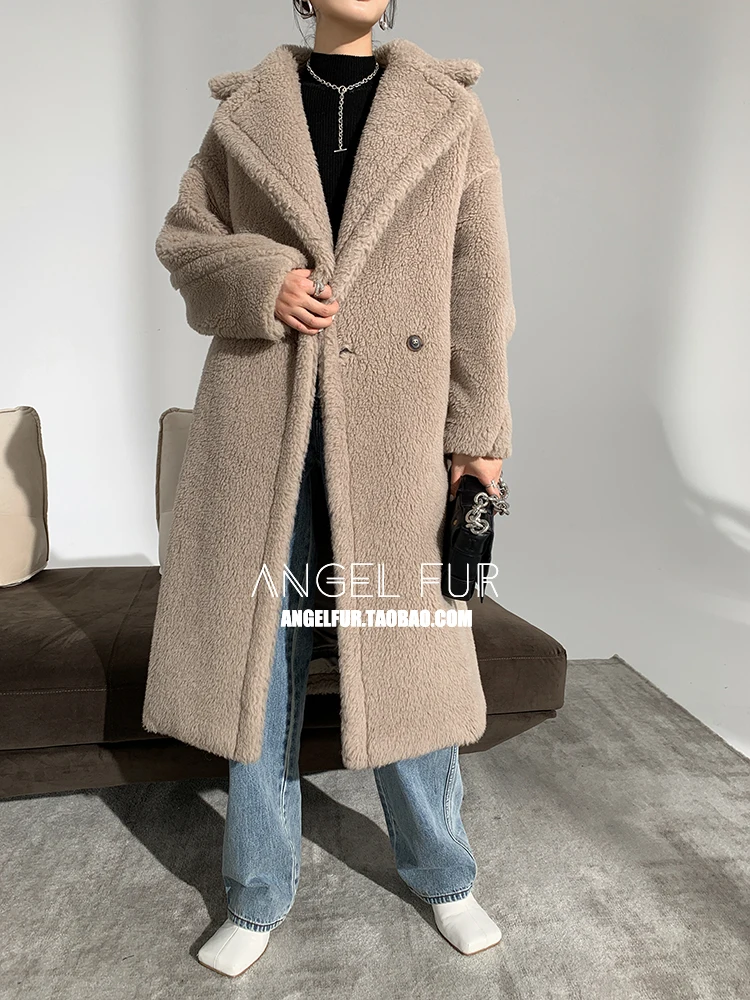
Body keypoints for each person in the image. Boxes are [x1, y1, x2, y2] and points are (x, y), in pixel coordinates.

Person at [145, 0, 517, 978]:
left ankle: (445, 875)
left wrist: (478, 440)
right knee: (260, 659)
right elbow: (185, 239)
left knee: (408, 650)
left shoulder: (450, 109)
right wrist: (260, 279)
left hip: (393, 431)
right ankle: (256, 888)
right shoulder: (245, 111)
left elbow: (480, 284)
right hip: (263, 425)